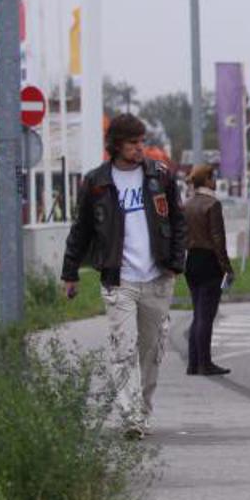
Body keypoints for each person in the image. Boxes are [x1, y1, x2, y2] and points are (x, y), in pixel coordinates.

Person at [61, 114, 185, 439]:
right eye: (132, 143)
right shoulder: (97, 182)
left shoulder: (160, 177)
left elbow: (178, 221)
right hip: (120, 279)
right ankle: (130, 418)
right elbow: (81, 229)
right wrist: (70, 271)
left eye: (141, 141)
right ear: (116, 144)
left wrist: (175, 263)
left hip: (157, 277)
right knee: (122, 350)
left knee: (150, 350)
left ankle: (142, 411)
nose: (139, 148)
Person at [183, 164, 234, 376]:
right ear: (207, 180)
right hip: (210, 261)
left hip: (191, 261)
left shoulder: (186, 204)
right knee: (207, 316)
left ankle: (193, 363)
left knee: (197, 313)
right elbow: (218, 240)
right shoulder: (212, 205)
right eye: (213, 178)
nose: (215, 182)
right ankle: (205, 363)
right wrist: (227, 268)